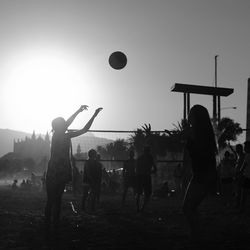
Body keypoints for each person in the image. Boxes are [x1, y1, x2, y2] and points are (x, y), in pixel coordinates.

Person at [45, 105, 102, 230]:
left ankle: (49, 224)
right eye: (63, 123)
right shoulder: (62, 136)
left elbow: (71, 124)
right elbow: (83, 129)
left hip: (54, 170)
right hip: (59, 171)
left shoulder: (57, 136)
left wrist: (81, 112)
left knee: (51, 200)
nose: (66, 124)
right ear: (59, 126)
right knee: (56, 199)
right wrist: (92, 115)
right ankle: (54, 224)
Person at [182, 105, 218, 237]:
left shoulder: (198, 133)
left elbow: (199, 154)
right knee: (190, 208)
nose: (188, 116)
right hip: (201, 175)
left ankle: (196, 233)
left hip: (203, 175)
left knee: (187, 208)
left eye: (190, 114)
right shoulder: (202, 133)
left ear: (196, 117)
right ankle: (197, 232)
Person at [135, 146, 157, 212]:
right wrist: (149, 172)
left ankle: (139, 208)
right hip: (145, 177)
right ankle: (141, 208)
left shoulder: (141, 158)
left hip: (142, 176)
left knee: (140, 193)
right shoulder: (149, 158)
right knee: (145, 193)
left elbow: (137, 169)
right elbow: (155, 169)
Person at [239, 141, 250, 212]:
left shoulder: (247, 155)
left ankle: (242, 209)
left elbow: (243, 167)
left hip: (247, 177)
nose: (244, 148)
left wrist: (239, 173)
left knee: (244, 194)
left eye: (245, 147)